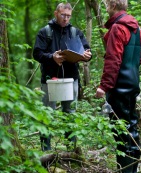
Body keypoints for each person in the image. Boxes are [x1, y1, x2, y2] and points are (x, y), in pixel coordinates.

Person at [33, 2, 92, 151]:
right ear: (56, 13)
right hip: (49, 78)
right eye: (63, 15)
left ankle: (71, 149)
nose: (66, 18)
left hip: (71, 78)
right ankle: (45, 150)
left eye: (68, 16)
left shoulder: (75, 32)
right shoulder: (45, 32)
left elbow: (86, 51)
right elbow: (37, 53)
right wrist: (51, 57)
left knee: (70, 113)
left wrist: (87, 55)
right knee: (47, 113)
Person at [96, 0, 141, 173]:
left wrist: (104, 86)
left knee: (121, 131)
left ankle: (126, 171)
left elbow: (113, 60)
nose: (105, 6)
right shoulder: (136, 28)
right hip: (132, 84)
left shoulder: (117, 28)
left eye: (107, 3)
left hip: (118, 88)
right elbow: (140, 57)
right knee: (131, 127)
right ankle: (132, 169)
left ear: (113, 5)